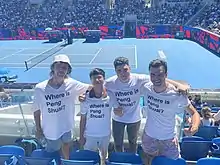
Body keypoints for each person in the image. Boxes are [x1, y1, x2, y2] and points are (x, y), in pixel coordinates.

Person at [79, 56, 190, 153]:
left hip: (134, 119)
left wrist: (180, 85)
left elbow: (161, 78)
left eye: (125, 69)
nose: (123, 73)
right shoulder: (110, 82)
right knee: (118, 143)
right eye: (119, 71)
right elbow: (95, 85)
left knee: (133, 142)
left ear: (130, 68)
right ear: (115, 71)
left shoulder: (139, 79)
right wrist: (84, 95)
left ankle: (132, 159)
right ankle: (120, 159)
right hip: (118, 119)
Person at [141, 59, 200, 165]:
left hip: (168, 140)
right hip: (149, 137)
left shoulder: (176, 95)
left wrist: (194, 127)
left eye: (160, 75)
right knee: (148, 162)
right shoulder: (146, 87)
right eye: (153, 75)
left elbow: (194, 113)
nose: (156, 78)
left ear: (166, 75)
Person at [33, 54, 91, 160]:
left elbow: (91, 88)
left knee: (67, 151)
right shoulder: (40, 88)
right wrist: (38, 129)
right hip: (50, 131)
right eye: (58, 67)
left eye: (64, 68)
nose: (61, 70)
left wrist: (84, 95)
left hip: (67, 128)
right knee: (53, 155)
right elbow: (36, 111)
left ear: (68, 70)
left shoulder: (72, 84)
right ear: (53, 68)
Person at [79, 68, 123, 165]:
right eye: (94, 78)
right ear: (91, 80)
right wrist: (81, 136)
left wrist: (120, 111)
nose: (97, 80)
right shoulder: (85, 98)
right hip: (90, 135)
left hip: (105, 135)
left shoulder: (110, 96)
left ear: (104, 79)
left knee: (104, 158)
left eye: (99, 77)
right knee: (89, 159)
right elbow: (83, 119)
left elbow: (118, 111)